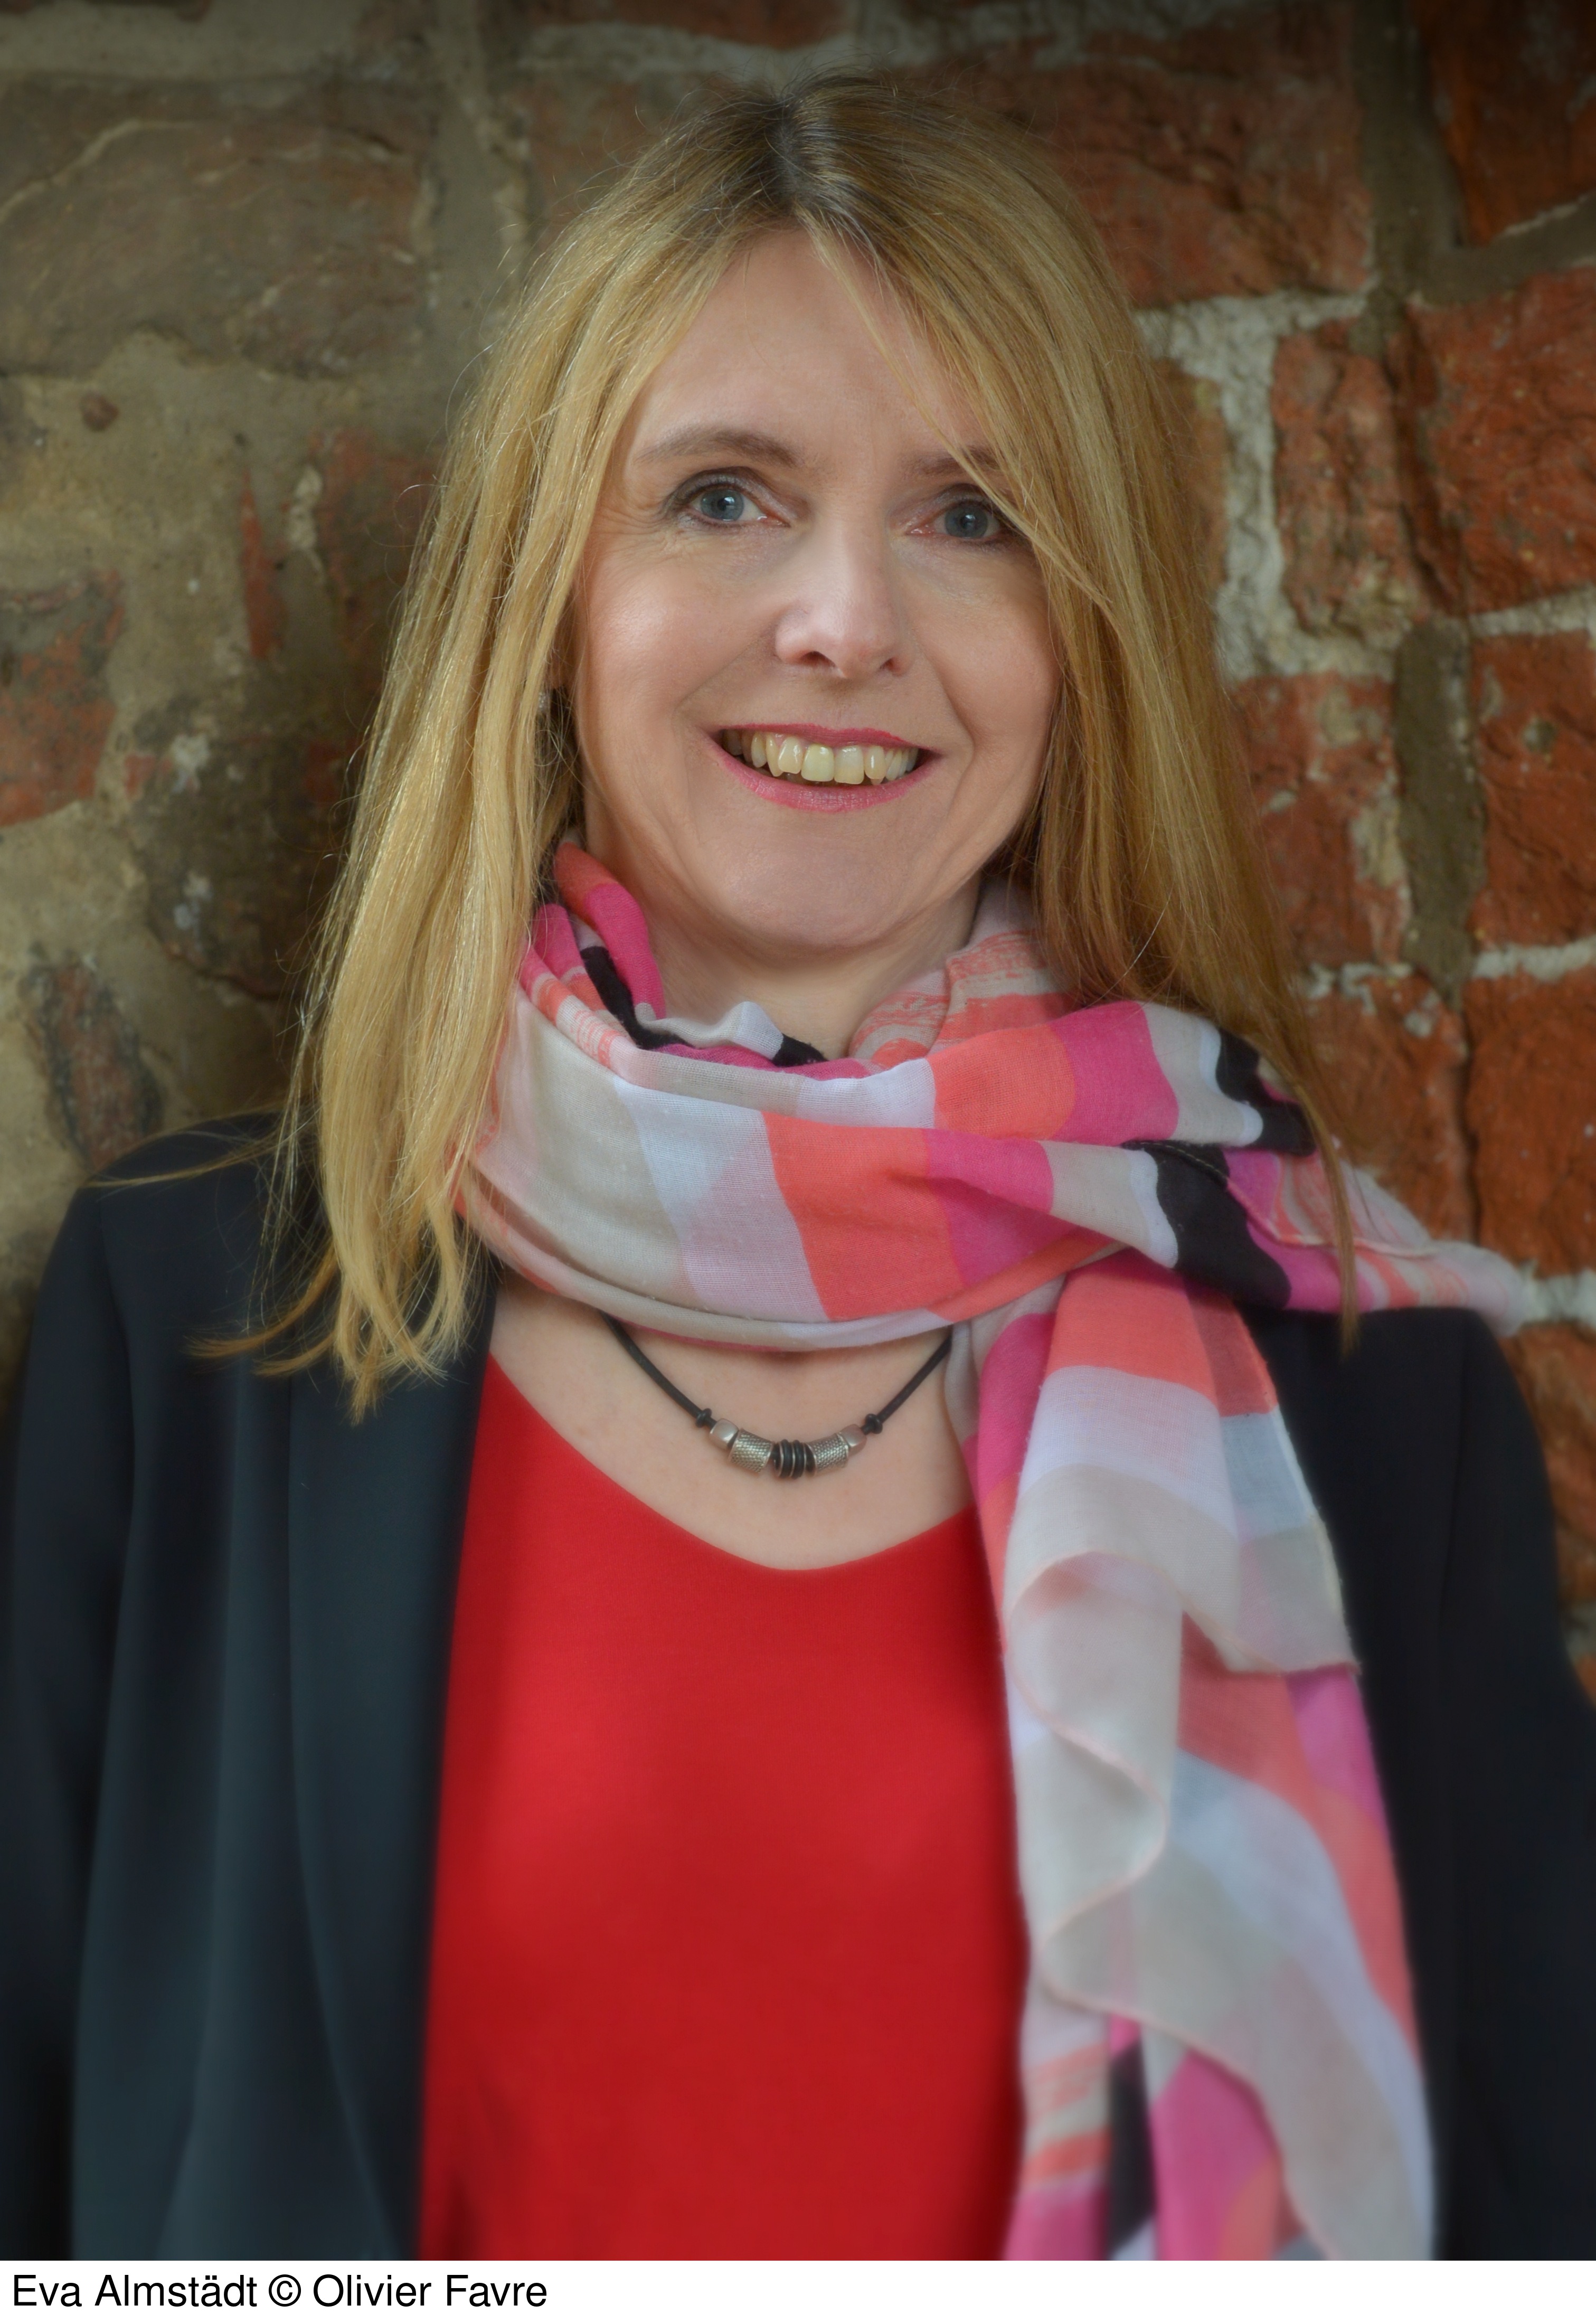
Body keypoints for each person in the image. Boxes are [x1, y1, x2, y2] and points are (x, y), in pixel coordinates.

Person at [3, 69, 1595, 2265]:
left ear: (1084, 643)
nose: (845, 618)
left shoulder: (1367, 1382)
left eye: (972, 517)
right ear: (552, 601)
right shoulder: (193, 1317)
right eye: (724, 497)